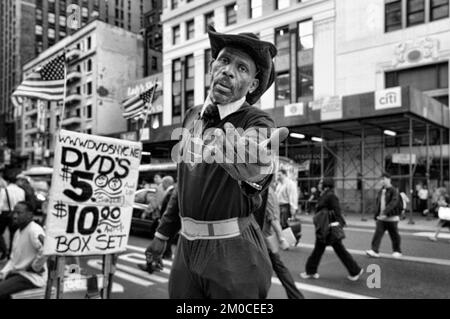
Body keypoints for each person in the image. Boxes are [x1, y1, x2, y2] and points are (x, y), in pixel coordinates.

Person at [146, 26, 288, 298]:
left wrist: (256, 173)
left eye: (242, 68)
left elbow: (261, 160)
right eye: (224, 60)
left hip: (232, 251)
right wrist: (163, 234)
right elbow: (183, 182)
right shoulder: (192, 115)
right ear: (212, 66)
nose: (229, 71)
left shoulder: (256, 121)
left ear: (254, 85)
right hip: (185, 250)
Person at [300, 178, 363, 281]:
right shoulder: (324, 194)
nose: (319, 184)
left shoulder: (331, 196)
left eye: (321, 183)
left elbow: (337, 211)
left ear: (326, 185)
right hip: (325, 228)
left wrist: (337, 225)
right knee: (322, 250)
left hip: (328, 229)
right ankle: (311, 271)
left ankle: (355, 270)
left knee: (334, 250)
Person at [262, 183, 304, 299]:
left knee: (278, 268)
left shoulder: (266, 193)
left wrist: (281, 238)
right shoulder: (267, 191)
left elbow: (274, 220)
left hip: (265, 239)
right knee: (278, 268)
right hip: (264, 238)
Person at [0, 201, 48, 299]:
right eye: (14, 212)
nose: (15, 216)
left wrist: (35, 267)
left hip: (31, 277)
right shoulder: (18, 232)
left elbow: (46, 249)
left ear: (30, 215)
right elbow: (13, 259)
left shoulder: (34, 230)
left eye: (19, 213)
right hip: (19, 274)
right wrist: (2, 273)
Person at [366, 172, 403, 259]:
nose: (382, 181)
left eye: (384, 179)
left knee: (394, 235)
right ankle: (374, 250)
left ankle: (397, 251)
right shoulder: (381, 191)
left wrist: (385, 213)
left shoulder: (394, 191)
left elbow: (393, 203)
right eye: (381, 179)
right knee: (377, 234)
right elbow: (378, 204)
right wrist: (376, 215)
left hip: (392, 218)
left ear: (389, 179)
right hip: (381, 218)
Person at [0, 170, 26, 261]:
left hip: (5, 213)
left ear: (8, 181)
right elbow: (23, 203)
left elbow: (1, 204)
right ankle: (11, 254)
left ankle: (4, 250)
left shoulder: (4, 190)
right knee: (14, 235)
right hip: (17, 213)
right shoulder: (21, 191)